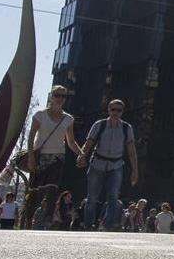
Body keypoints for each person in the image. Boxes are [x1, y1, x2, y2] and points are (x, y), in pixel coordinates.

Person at [22, 85, 84, 229]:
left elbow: (71, 141)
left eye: (63, 96)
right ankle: (28, 220)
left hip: (57, 157)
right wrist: (31, 156)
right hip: (40, 156)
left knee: (52, 188)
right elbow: (31, 137)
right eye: (57, 95)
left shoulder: (68, 119)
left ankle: (48, 220)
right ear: (51, 96)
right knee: (35, 191)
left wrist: (81, 153)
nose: (60, 99)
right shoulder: (40, 115)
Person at [78, 99, 139, 230]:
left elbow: (131, 150)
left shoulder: (126, 128)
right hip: (97, 164)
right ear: (108, 110)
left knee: (113, 197)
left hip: (116, 165)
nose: (116, 112)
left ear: (122, 112)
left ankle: (107, 226)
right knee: (92, 197)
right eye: (113, 109)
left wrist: (135, 170)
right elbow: (89, 143)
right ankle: (88, 225)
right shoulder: (99, 125)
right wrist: (82, 155)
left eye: (119, 110)